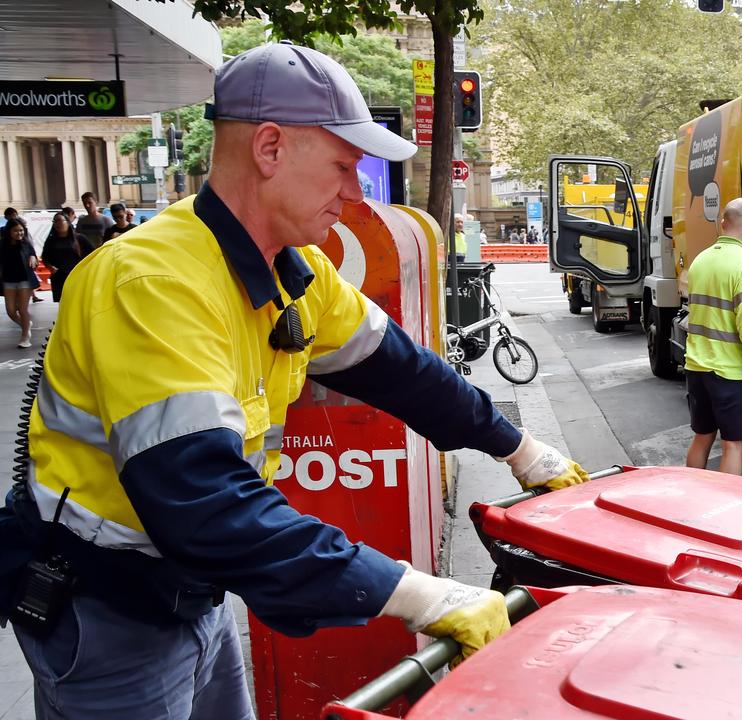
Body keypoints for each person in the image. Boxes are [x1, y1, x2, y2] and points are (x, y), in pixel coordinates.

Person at [0, 42, 589, 719]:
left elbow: (402, 368)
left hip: (195, 593)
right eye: (344, 165)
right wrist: (421, 595)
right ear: (271, 148)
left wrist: (517, 449)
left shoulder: (288, 269)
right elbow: (209, 507)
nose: (356, 189)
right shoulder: (153, 285)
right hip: (107, 617)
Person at [682, 198, 742, 476]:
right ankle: (726, 508)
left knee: (702, 436)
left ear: (723, 223)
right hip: (730, 373)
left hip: (696, 366)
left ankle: (693, 493)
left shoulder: (701, 260)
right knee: (733, 445)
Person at [1, 221, 40, 348]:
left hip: (25, 280)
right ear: (9, 232)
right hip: (8, 280)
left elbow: (33, 255)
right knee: (11, 311)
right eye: (16, 231)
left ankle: (25, 336)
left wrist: (33, 257)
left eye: (21, 230)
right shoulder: (2, 245)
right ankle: (26, 324)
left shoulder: (26, 244)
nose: (19, 233)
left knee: (23, 309)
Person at [40, 212, 93, 302]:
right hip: (59, 277)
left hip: (77, 276)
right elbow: (45, 256)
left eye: (60, 221)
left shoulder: (79, 238)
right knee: (63, 304)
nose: (57, 224)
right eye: (55, 221)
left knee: (78, 302)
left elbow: (92, 254)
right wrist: (50, 267)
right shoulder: (51, 240)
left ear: (68, 222)